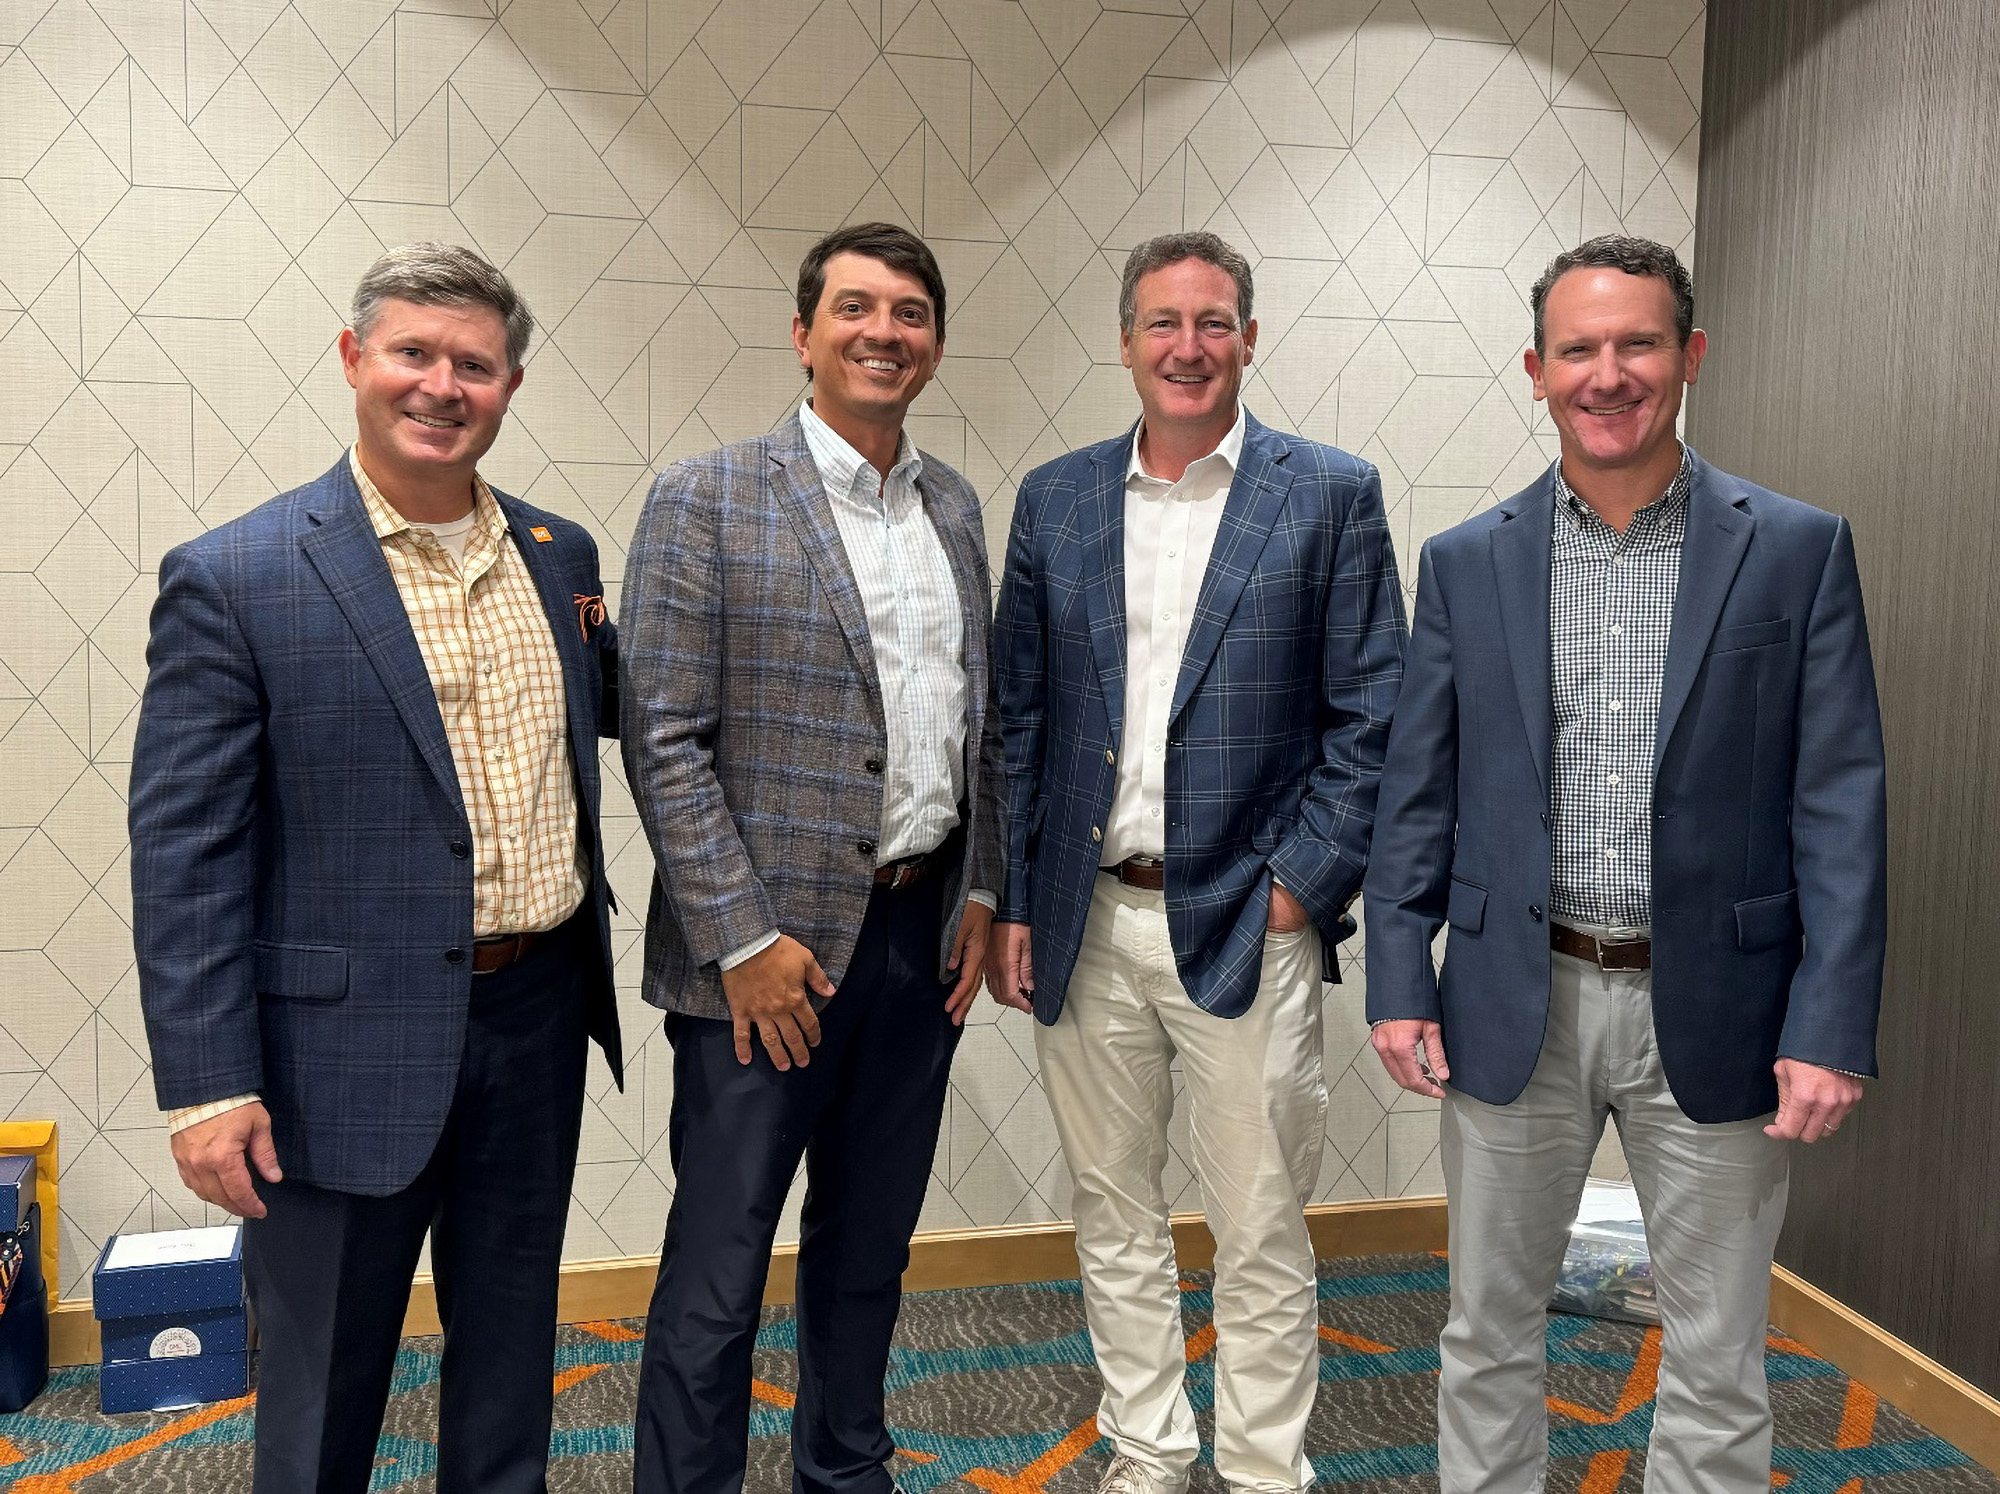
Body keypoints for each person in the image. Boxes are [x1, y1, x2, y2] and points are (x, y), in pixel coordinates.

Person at [1362, 234, 1887, 1494]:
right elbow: (1416, 790)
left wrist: (1831, 1021)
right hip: (1510, 996)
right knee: (1486, 1333)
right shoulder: (1465, 560)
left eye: (1637, 343)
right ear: (1535, 371)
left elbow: (1840, 800)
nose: (1609, 373)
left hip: (1716, 1007)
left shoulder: (1795, 549)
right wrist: (1395, 975)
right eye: (1579, 349)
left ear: (1687, 357)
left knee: (1714, 1352)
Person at [129, 242, 623, 1493]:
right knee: (323, 1379)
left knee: (510, 1347)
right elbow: (186, 851)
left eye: (475, 363)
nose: (441, 386)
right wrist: (206, 1085)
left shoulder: (559, 557)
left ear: (511, 384)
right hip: (332, 1057)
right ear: (355, 360)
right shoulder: (237, 576)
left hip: (536, 1012)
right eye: (413, 353)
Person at [986, 231, 1407, 1494]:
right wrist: (1010, 895)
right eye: (1162, 323)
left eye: (1212, 322)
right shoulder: (1054, 499)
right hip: (1083, 917)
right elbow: (1019, 717)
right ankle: (1148, 1451)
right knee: (1111, 1210)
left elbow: (1371, 715)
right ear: (1124, 342)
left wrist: (1299, 889)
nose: (1187, 347)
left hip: (1247, 918)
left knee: (1261, 1228)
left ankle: (1265, 1470)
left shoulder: (1325, 491)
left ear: (1248, 338)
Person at [620, 221, 1003, 1494]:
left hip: (911, 945)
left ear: (934, 345)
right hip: (759, 967)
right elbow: (663, 737)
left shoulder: (952, 506)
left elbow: (974, 721)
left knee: (866, 1258)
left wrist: (979, 891)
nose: (881, 331)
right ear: (802, 334)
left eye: (907, 313)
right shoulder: (704, 497)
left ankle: (845, 1474)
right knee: (717, 1278)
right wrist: (740, 937)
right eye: (854, 308)